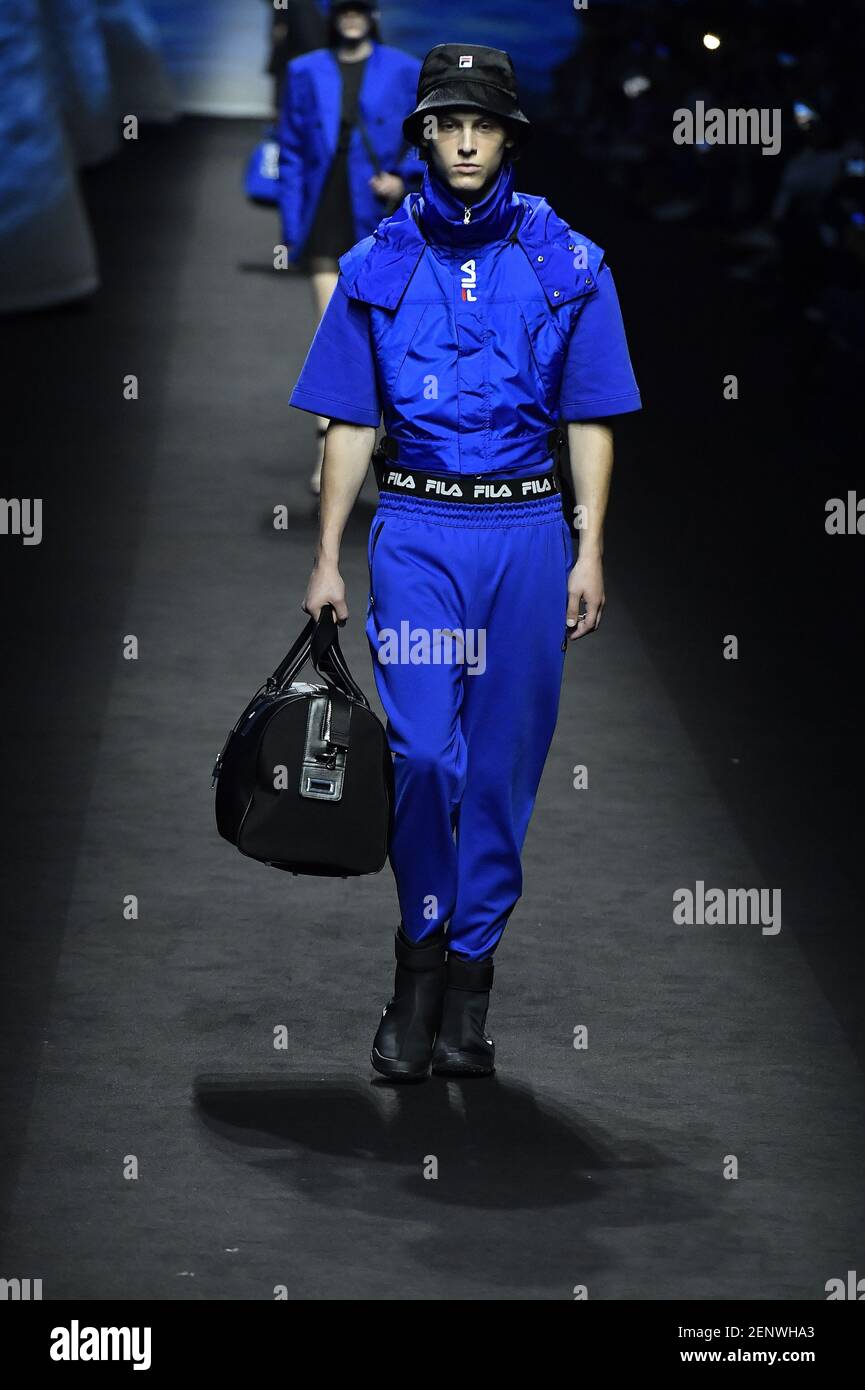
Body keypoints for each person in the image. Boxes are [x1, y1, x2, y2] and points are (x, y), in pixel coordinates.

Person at [289, 43, 642, 1081]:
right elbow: (346, 425)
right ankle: (415, 967)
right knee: (423, 758)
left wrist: (591, 547)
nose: (465, 140)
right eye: (448, 123)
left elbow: (590, 417)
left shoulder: (569, 260)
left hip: (530, 536)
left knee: (497, 777)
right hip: (421, 529)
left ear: (508, 136)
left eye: (482, 124)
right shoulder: (376, 265)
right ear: (426, 135)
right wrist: (325, 559)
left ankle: (466, 985)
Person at [277, 1, 422, 493]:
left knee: (381, 332)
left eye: (361, 8)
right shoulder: (304, 69)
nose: (352, 17)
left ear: (372, 15)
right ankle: (327, 448)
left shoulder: (404, 67)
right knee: (331, 330)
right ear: (334, 17)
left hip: (375, 211)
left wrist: (402, 177)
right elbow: (292, 146)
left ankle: (389, 449)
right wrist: (294, 226)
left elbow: (424, 135)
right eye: (344, 9)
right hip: (326, 206)